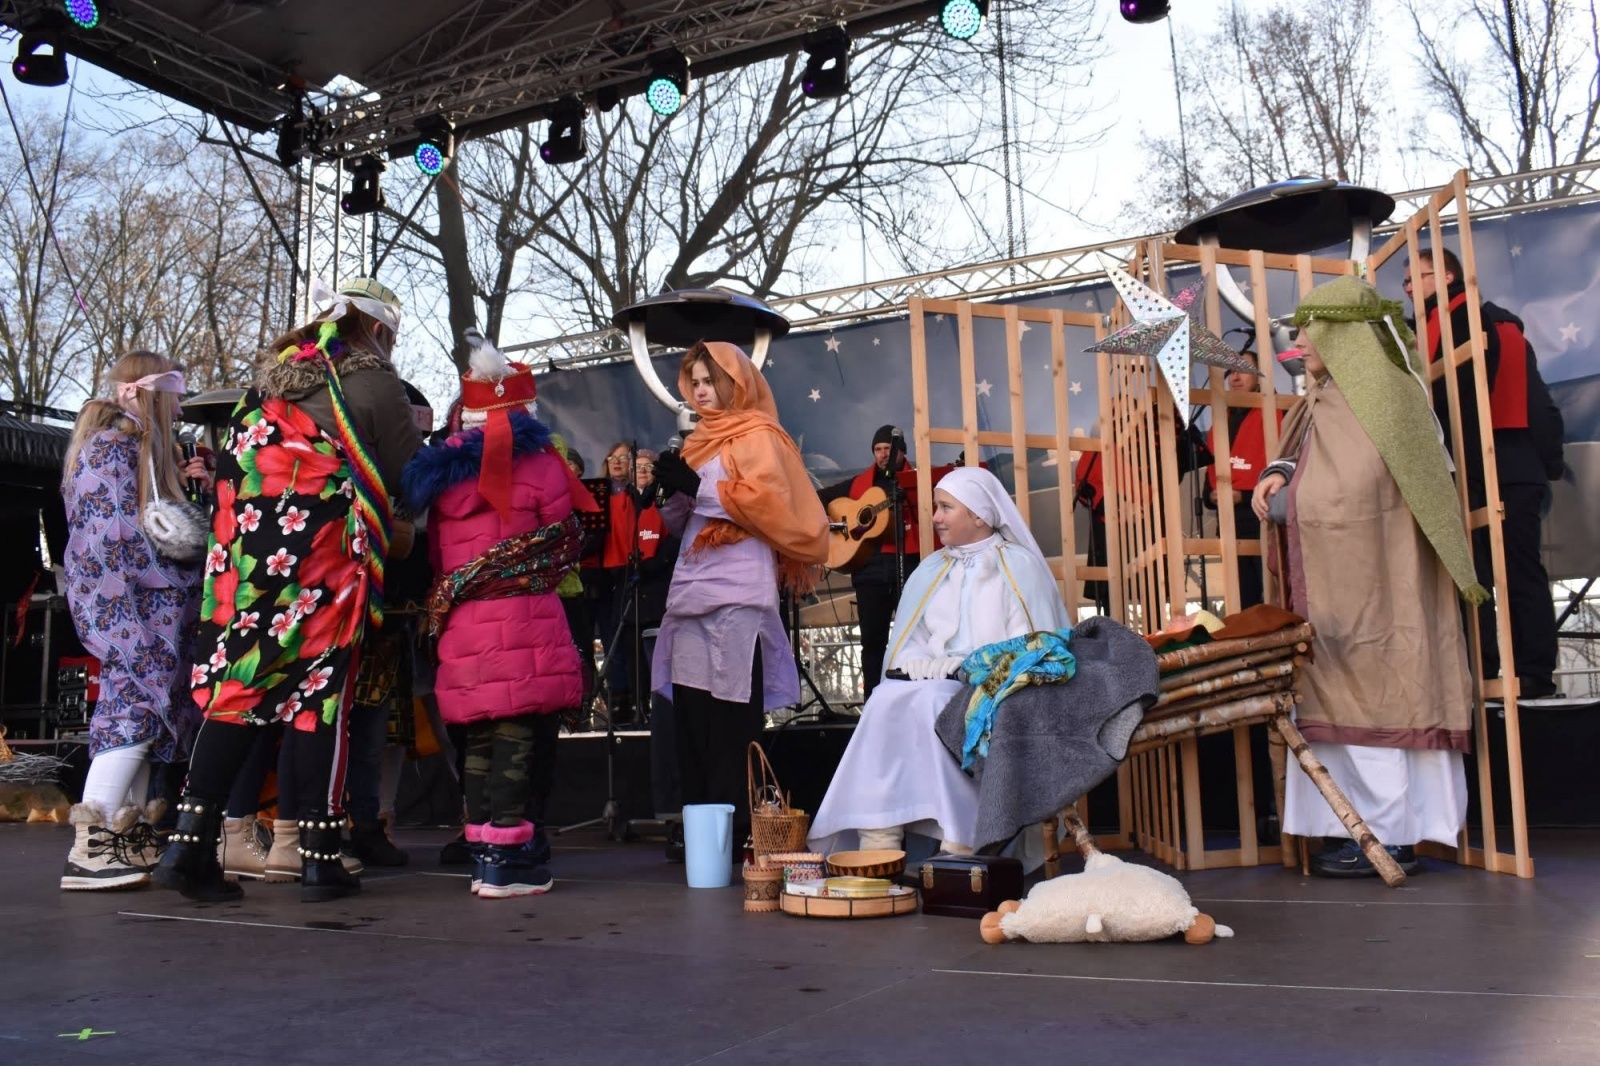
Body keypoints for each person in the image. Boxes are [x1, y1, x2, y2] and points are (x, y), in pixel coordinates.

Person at [153, 278, 420, 904]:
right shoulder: (374, 382)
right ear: (377, 331)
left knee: (240, 690)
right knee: (321, 694)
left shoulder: (266, 386)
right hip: (321, 559)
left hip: (247, 563)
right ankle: (320, 859)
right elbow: (411, 477)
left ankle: (189, 846)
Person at [1253, 277, 1483, 878]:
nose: (1298, 342)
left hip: (1381, 583)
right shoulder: (1323, 399)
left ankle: (1392, 832)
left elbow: (1367, 486)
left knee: (1383, 693)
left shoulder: (1386, 397)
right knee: (1337, 693)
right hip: (1330, 589)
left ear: (1344, 334)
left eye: (1310, 330)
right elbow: (1313, 459)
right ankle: (1348, 827)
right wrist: (1280, 473)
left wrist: (1302, 496)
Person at [403, 335, 597, 898]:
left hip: (465, 625)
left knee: (482, 740)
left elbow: (439, 559)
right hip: (526, 619)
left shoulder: (442, 481)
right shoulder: (543, 466)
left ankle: (485, 854)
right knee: (516, 737)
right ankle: (511, 861)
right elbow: (567, 539)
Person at [808, 466, 1070, 857]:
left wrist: (965, 665)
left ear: (979, 515)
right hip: (930, 681)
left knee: (935, 703)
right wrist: (916, 662)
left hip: (991, 686)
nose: (934, 518)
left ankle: (962, 838)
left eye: (946, 508)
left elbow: (1031, 647)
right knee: (883, 700)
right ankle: (879, 837)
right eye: (936, 507)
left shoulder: (1018, 568)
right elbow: (910, 640)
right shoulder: (932, 569)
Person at [648, 341, 830, 861]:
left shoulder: (761, 437)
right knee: (690, 716)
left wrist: (700, 489)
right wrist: (671, 494)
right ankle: (700, 831)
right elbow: (689, 524)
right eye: (696, 383)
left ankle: (736, 834)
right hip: (691, 587)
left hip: (739, 590)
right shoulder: (698, 441)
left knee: (730, 717)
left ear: (735, 384)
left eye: (711, 381)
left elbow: (772, 511)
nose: (702, 391)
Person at [58, 352, 211, 890]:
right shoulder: (114, 453)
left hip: (141, 609)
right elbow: (118, 543)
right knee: (132, 713)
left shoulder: (131, 452)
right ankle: (93, 839)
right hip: (135, 612)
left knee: (144, 716)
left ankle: (124, 833)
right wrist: (179, 570)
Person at [1405, 246, 1565, 699]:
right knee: (1480, 574)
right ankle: (1492, 673)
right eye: (1407, 282)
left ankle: (1522, 673)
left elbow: (1526, 399)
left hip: (1495, 462)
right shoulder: (1441, 328)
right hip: (1481, 465)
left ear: (1450, 278)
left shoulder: (1478, 323)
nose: (1411, 288)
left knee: (1508, 572)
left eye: (1419, 277)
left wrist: (1544, 462)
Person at [818, 425, 921, 701]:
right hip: (869, 572)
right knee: (872, 644)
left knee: (913, 640)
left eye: (888, 449)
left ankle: (910, 700)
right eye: (878, 450)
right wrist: (831, 523)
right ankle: (873, 703)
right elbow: (820, 498)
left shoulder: (917, 482)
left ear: (901, 452)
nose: (883, 455)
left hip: (908, 568)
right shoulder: (858, 485)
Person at [596, 447, 691, 725]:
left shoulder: (665, 501)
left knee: (662, 658)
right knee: (632, 658)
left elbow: (677, 536)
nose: (643, 472)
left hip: (659, 590)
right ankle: (638, 710)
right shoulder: (620, 504)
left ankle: (664, 711)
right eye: (638, 468)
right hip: (629, 592)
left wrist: (655, 563)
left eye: (649, 467)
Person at [1203, 364, 1284, 610]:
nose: (1235, 376)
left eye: (1243, 369)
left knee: (1272, 595)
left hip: (1263, 518)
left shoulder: (1276, 414)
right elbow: (1208, 480)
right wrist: (1212, 495)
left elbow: (1285, 467)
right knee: (1241, 600)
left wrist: (1245, 494)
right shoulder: (1219, 423)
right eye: (1230, 372)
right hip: (1230, 524)